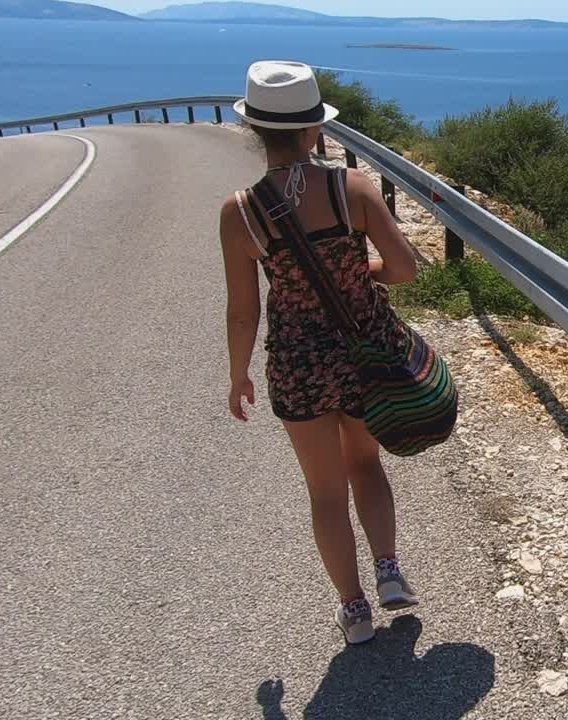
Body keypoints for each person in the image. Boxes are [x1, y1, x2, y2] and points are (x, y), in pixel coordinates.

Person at [219, 61, 422, 645]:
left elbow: (242, 310)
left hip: (298, 364)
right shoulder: (352, 188)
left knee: (325, 490)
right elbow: (406, 268)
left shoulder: (240, 212)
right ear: (315, 132)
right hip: (363, 355)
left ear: (257, 131)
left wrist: (238, 376)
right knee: (366, 464)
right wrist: (363, 272)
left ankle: (354, 609)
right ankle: (388, 573)